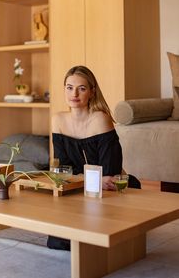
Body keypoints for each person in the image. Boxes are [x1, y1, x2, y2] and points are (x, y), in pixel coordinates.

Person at [47, 65, 141, 251]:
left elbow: (110, 172)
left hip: (115, 187)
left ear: (91, 92)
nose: (74, 93)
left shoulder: (100, 119)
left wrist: (79, 178)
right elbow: (63, 171)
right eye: (69, 87)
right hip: (82, 188)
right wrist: (84, 180)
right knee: (58, 242)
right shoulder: (58, 120)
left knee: (97, 239)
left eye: (81, 88)